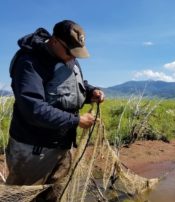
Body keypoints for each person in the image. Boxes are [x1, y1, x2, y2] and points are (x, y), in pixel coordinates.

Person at [5, 20, 104, 200]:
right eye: (70, 52)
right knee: (23, 196)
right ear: (55, 41)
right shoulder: (30, 62)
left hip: (62, 146)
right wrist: (76, 121)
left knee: (54, 194)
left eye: (77, 53)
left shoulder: (68, 57)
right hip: (33, 150)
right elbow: (33, 108)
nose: (73, 57)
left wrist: (91, 92)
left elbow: (72, 86)